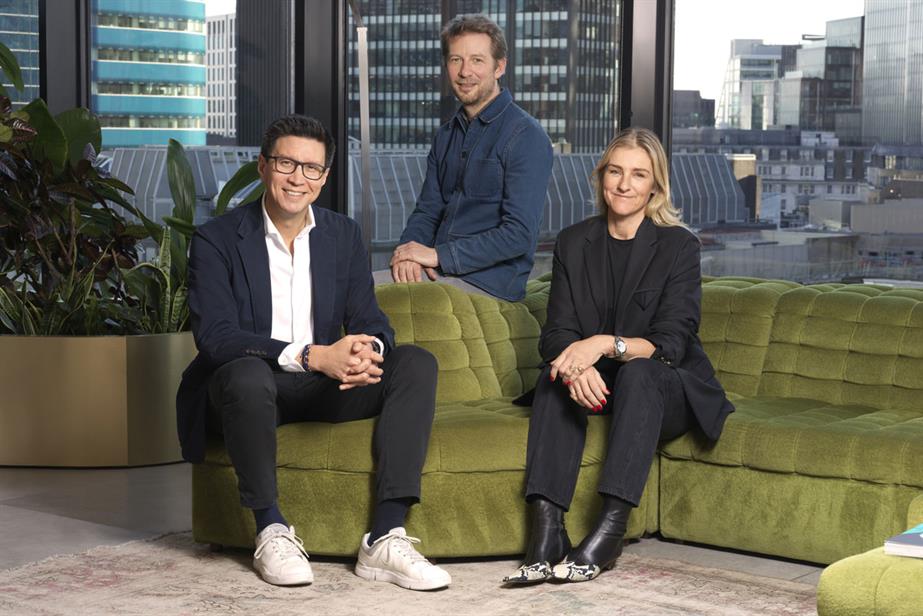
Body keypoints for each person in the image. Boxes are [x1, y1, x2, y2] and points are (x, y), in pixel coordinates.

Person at [176, 115, 451, 591]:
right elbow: (217, 337)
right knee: (245, 374)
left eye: (311, 169)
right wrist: (310, 356)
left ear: (324, 179)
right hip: (247, 390)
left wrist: (367, 349)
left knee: (415, 363)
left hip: (325, 386)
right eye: (286, 163)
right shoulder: (216, 239)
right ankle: (272, 529)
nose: (297, 178)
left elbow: (370, 319)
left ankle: (385, 536)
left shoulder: (341, 235)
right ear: (263, 166)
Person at [503, 127, 735, 584]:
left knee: (640, 374)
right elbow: (557, 333)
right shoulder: (574, 242)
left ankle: (610, 530)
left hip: (667, 390)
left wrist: (604, 345)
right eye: (615, 171)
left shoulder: (678, 246)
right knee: (555, 375)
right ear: (601, 177)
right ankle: (546, 533)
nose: (625, 184)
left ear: (655, 187)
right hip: (600, 385)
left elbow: (673, 342)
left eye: (638, 174)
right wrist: (574, 369)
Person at [386, 13, 553, 302]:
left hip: (490, 284)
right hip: (439, 272)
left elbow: (519, 234)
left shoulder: (526, 136)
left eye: (477, 60)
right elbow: (428, 211)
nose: (465, 72)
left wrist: (438, 255)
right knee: (359, 292)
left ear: (499, 67)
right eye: (455, 60)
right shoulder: (445, 135)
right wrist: (408, 254)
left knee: (379, 300)